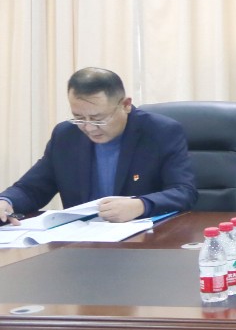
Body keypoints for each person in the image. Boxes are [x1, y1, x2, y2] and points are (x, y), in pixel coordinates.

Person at [0, 67, 196, 224]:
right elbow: (31, 188)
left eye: (98, 119)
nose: (89, 128)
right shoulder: (66, 135)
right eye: (79, 117)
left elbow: (184, 192)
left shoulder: (160, 132)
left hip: (145, 240)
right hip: (81, 241)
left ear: (125, 105)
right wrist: (6, 201)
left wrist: (141, 205)